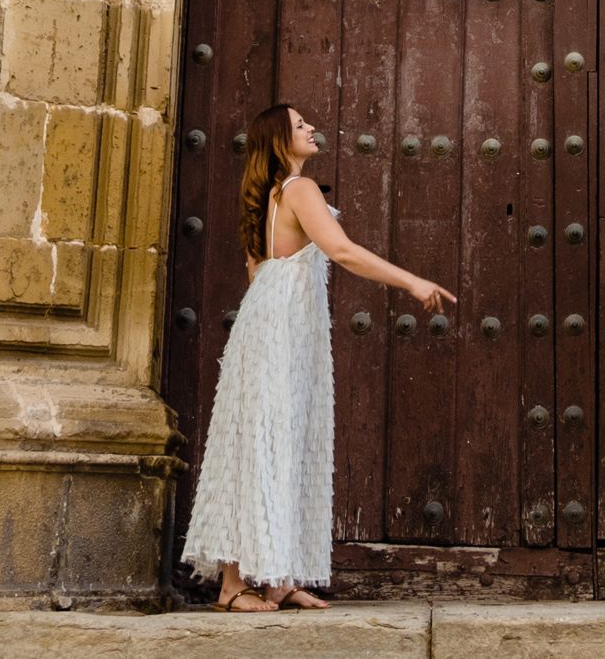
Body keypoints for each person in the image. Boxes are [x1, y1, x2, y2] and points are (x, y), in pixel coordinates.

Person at [179, 102, 457, 612]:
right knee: (264, 441)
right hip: (280, 333)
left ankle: (277, 577)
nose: (310, 127)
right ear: (278, 140)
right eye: (299, 124)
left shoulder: (266, 197)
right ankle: (231, 586)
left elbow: (255, 272)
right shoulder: (299, 189)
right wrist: (413, 281)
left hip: (269, 328)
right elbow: (343, 251)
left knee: (272, 439)